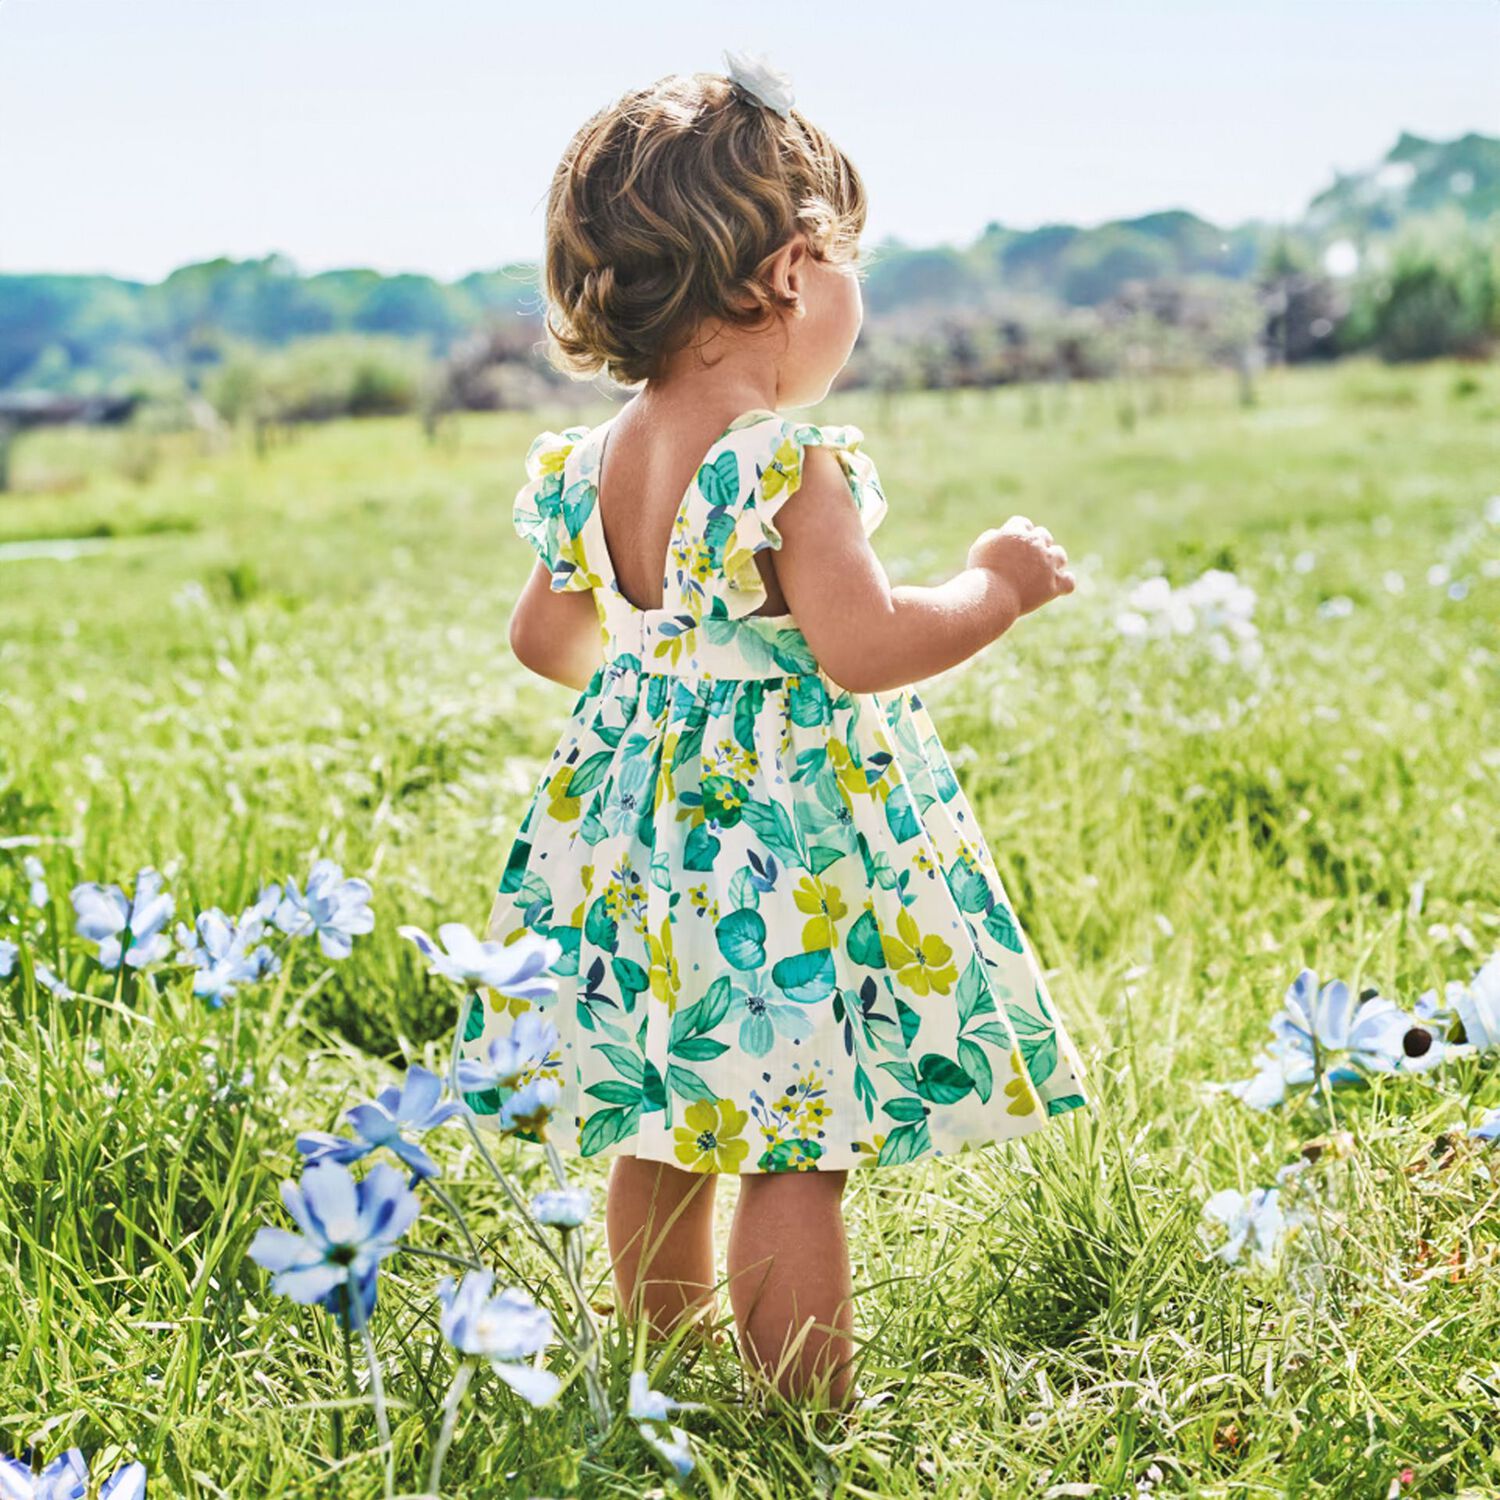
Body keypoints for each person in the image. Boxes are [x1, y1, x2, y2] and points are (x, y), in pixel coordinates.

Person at [460, 52, 1089, 1407]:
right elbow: (864, 647)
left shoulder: (593, 463)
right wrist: (998, 585)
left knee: (664, 1116)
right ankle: (803, 1424)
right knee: (794, 1143)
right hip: (779, 850)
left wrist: (665, 682)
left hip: (643, 838)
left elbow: (543, 640)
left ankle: (662, 1383)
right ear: (794, 269)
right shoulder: (779, 462)